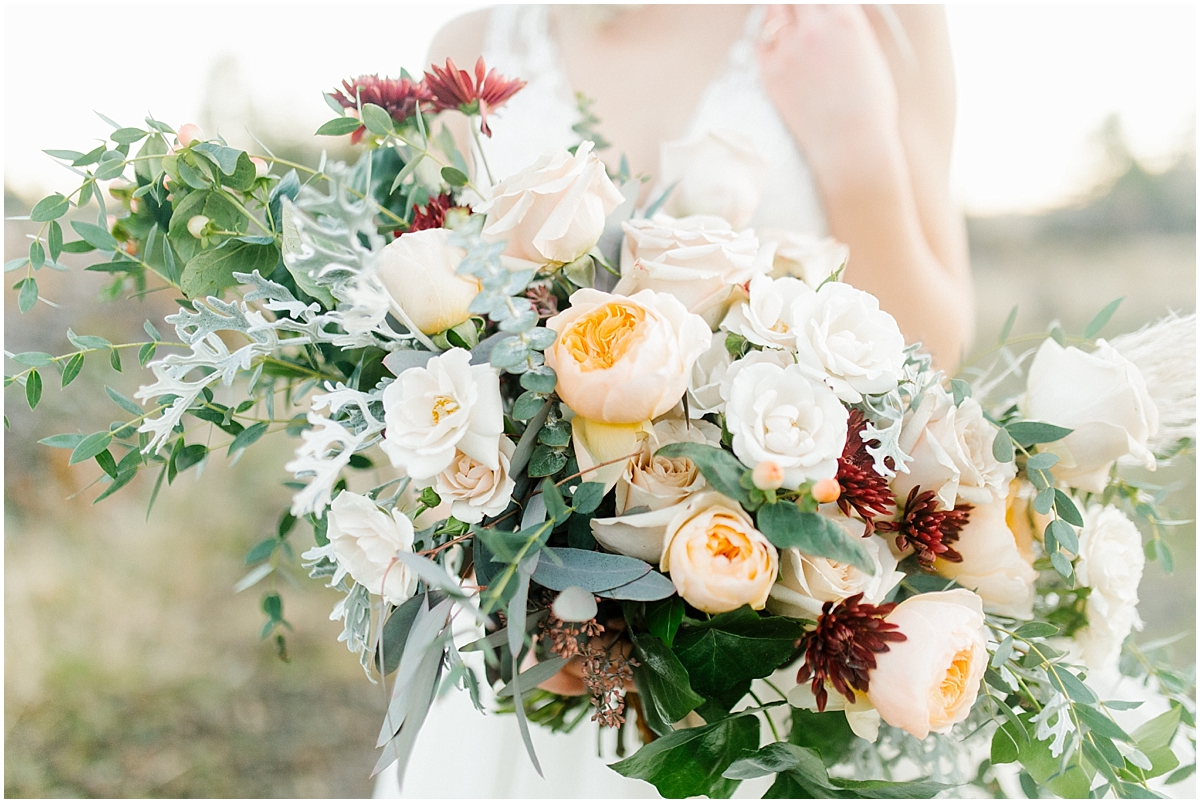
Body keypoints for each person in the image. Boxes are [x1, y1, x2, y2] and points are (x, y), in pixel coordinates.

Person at [375, 5, 974, 797]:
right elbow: (440, 358)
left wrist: (854, 143)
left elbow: (937, 342)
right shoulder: (466, 53)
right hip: (547, 645)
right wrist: (520, 583)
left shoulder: (871, 19)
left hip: (787, 632)